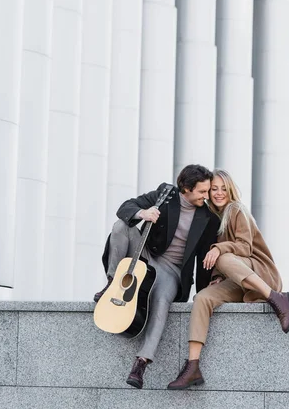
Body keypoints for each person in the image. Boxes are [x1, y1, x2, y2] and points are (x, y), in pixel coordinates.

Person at [93, 164, 220, 389]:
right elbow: (127, 206)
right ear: (186, 188)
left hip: (172, 271)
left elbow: (203, 263)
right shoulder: (165, 194)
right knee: (120, 226)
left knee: (161, 303)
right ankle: (113, 283)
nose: (206, 195)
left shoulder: (208, 218)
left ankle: (141, 363)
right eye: (202, 191)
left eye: (207, 191)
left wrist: (206, 291)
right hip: (145, 254)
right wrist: (142, 213)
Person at [167, 169, 289, 390]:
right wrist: (216, 277)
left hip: (261, 274)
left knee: (224, 258)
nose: (218, 193)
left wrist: (218, 249)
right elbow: (220, 263)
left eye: (223, 188)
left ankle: (277, 299)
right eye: (213, 189)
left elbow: (244, 248)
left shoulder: (237, 210)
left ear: (230, 189)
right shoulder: (210, 218)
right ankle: (193, 366)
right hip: (239, 280)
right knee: (203, 298)